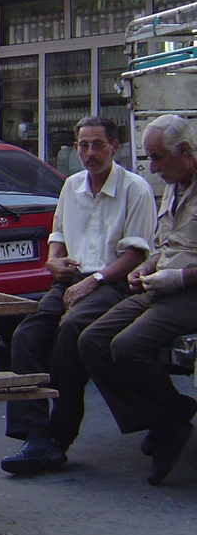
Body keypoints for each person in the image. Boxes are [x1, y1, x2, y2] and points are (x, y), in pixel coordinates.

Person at [0, 117, 155, 474]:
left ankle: (59, 436)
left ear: (115, 148)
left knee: (71, 331)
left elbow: (136, 253)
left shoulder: (135, 189)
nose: (89, 153)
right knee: (26, 335)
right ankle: (34, 435)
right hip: (71, 281)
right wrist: (54, 264)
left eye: (97, 145)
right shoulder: (71, 186)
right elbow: (57, 239)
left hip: (112, 282)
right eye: (83, 145)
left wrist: (95, 279)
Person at [79, 114, 197, 485]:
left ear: (185, 152)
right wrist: (147, 268)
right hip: (162, 286)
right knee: (91, 340)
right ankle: (167, 416)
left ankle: (167, 423)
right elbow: (168, 243)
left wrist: (176, 277)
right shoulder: (176, 185)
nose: (155, 168)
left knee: (128, 346)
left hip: (189, 292)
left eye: (159, 159)